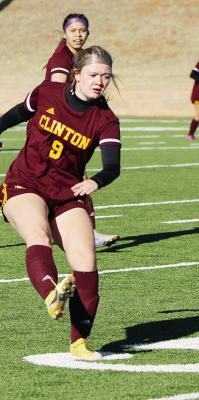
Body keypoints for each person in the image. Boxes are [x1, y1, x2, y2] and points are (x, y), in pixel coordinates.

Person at [0, 46, 121, 360]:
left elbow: (112, 166)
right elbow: (15, 114)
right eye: (94, 75)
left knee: (86, 264)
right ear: (77, 74)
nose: (100, 82)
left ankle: (79, 343)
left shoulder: (106, 119)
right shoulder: (47, 93)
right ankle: (51, 294)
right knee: (37, 235)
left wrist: (96, 180)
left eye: (106, 77)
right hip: (24, 182)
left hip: (68, 193)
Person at [45, 13, 119, 247]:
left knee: (73, 176)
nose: (78, 35)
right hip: (54, 127)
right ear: (64, 32)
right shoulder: (62, 58)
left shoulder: (80, 57)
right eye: (73, 30)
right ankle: (87, 232)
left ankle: (88, 231)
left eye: (82, 30)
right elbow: (56, 93)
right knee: (47, 178)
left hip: (64, 126)